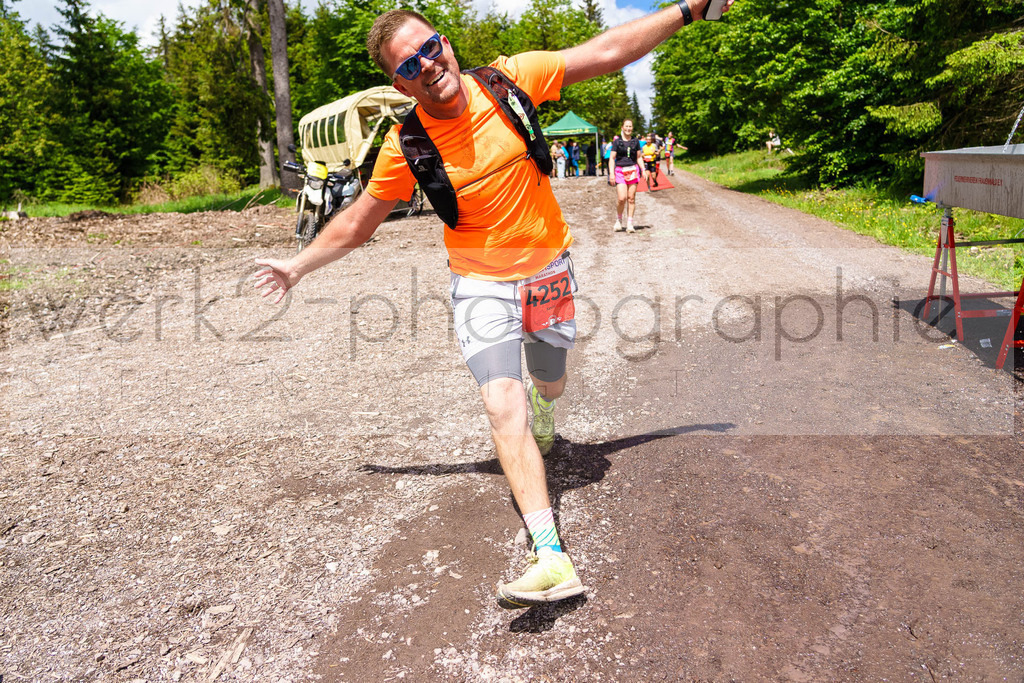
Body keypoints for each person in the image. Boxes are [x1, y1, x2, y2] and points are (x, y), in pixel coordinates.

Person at [253, 1, 732, 611]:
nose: (427, 66)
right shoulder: (407, 144)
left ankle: (548, 410)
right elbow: (358, 222)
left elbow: (609, 53)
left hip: (548, 271)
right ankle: (550, 554)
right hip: (478, 285)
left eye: (431, 50)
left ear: (446, 45)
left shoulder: (511, 79)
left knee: (549, 382)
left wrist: (691, 10)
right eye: (409, 65)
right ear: (397, 82)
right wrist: (295, 266)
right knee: (502, 406)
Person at [608, 119, 643, 232]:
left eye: (630, 126)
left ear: (632, 128)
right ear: (622, 127)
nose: (628, 128)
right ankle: (619, 220)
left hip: (633, 170)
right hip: (620, 171)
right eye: (626, 126)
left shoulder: (635, 141)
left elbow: (638, 157)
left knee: (631, 198)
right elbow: (612, 159)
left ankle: (630, 224)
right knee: (621, 198)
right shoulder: (617, 142)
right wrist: (611, 174)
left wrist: (643, 168)